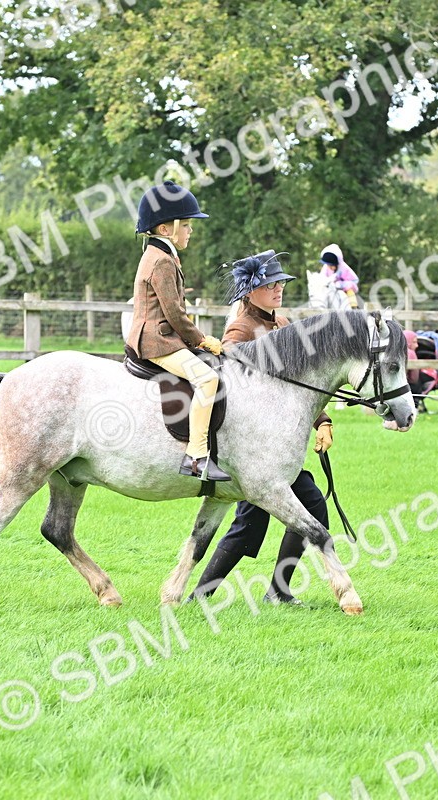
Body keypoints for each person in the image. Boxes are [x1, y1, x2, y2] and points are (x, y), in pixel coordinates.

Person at [190, 250, 332, 605]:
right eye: (270, 284)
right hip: (251, 449)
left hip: (275, 448)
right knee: (249, 525)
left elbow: (301, 385)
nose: (279, 288)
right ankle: (202, 596)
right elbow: (231, 381)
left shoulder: (283, 324)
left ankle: (275, 591)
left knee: (308, 506)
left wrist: (323, 420)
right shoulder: (240, 329)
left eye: (281, 283)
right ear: (251, 291)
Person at [126, 180, 227, 481]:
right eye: (185, 225)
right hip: (156, 341)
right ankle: (196, 456)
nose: (190, 230)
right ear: (165, 229)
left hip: (160, 336)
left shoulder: (160, 255)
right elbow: (175, 314)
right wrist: (202, 340)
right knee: (208, 379)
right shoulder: (161, 261)